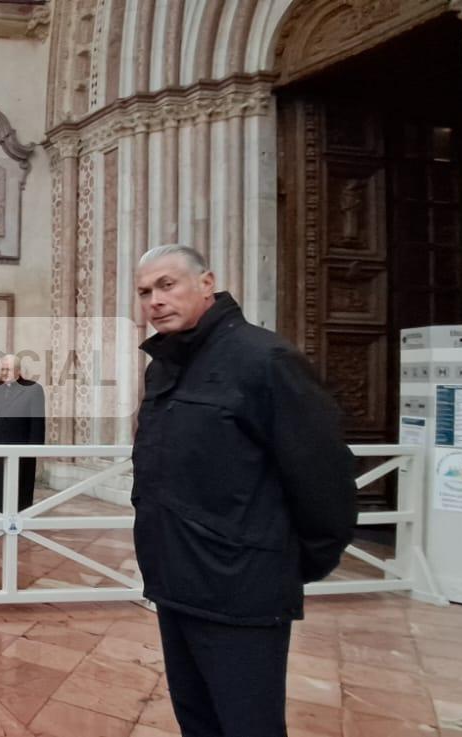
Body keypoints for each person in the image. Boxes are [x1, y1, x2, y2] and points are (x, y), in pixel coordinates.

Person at [132, 245, 356, 737]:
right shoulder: (163, 365)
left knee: (247, 726)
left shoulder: (266, 359)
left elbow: (324, 480)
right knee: (198, 722)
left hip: (240, 589)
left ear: (206, 283)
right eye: (145, 292)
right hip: (175, 581)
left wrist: (283, 563)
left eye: (167, 285)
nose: (155, 301)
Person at [0, 353, 45, 513]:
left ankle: (19, 518)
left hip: (22, 449)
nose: (4, 373)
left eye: (8, 369)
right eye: (2, 369)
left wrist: (35, 449)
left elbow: (37, 423)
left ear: (18, 370)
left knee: (19, 491)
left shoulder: (33, 389)